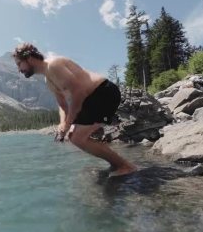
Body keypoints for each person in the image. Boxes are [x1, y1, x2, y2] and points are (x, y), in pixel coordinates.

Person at [12, 43, 137, 176]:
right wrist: (62, 123)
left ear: (29, 58)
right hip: (90, 99)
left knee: (76, 138)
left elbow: (79, 93)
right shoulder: (48, 80)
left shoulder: (54, 65)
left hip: (103, 93)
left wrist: (68, 122)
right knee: (74, 136)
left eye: (19, 64)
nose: (19, 69)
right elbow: (62, 105)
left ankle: (125, 166)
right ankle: (116, 164)